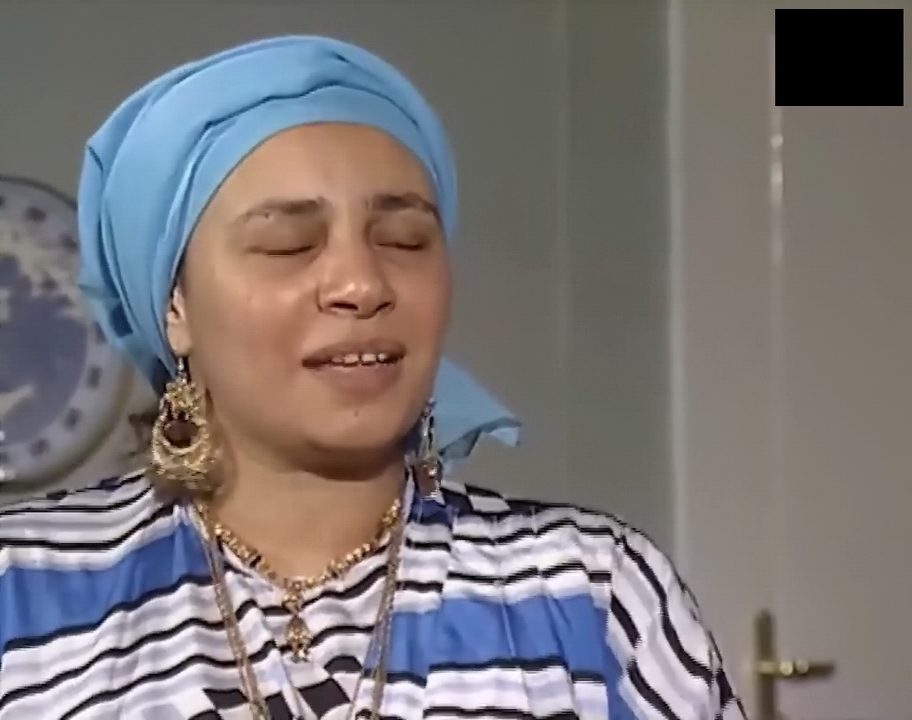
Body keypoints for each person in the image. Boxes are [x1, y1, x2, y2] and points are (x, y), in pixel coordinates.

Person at [0, 36, 746, 720]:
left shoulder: (593, 593)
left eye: (405, 239)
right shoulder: (20, 590)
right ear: (175, 306)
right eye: (288, 245)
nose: (361, 284)